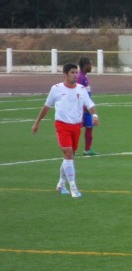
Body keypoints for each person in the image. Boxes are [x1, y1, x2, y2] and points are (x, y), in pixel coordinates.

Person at [32, 63, 99, 198]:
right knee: (68, 152)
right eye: (72, 73)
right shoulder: (56, 89)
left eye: (76, 72)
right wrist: (37, 122)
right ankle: (73, 188)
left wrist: (95, 115)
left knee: (70, 156)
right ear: (65, 74)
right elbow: (46, 106)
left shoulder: (81, 89)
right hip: (62, 126)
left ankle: (61, 185)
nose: (75, 75)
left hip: (76, 126)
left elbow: (90, 104)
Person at [77, 57, 98, 156]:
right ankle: (73, 150)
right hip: (82, 108)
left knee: (89, 127)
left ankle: (87, 149)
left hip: (87, 108)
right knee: (77, 129)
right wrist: (82, 106)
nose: (91, 66)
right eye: (90, 64)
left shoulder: (84, 77)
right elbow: (77, 92)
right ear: (85, 66)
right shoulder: (80, 77)